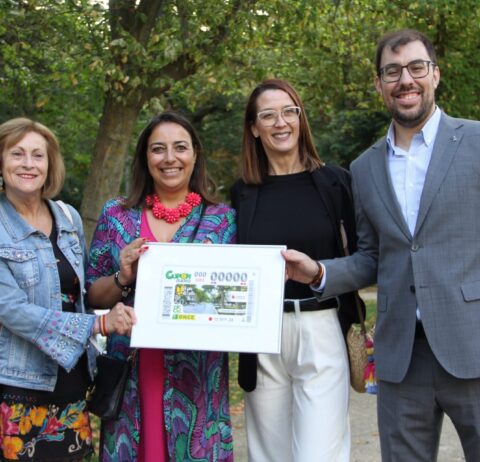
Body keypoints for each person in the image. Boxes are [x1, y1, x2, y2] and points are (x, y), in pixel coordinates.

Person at [283, 29, 480, 461]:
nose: (406, 80)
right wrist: (320, 273)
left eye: (417, 67)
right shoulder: (364, 167)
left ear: (435, 75)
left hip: (477, 351)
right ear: (379, 85)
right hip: (401, 358)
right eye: (392, 71)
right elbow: (374, 257)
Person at [86, 110, 236, 461]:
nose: (170, 158)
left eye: (180, 147)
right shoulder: (116, 215)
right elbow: (93, 293)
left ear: (195, 154)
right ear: (144, 157)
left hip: (197, 374)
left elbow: (237, 300)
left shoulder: (222, 221)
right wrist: (124, 276)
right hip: (133, 368)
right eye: (158, 149)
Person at [231, 79, 362, 462]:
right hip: (262, 334)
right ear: (254, 128)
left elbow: (364, 259)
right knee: (268, 455)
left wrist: (320, 271)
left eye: (289, 111)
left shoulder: (335, 182)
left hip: (321, 327)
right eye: (268, 115)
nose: (280, 122)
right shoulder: (242, 193)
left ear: (301, 118)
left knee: (319, 455)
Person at [0, 118, 134, 461]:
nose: (29, 164)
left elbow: (81, 295)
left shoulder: (68, 218)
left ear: (50, 164)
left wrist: (122, 276)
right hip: (16, 389)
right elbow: (11, 309)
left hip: (72, 383)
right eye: (17, 154)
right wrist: (98, 326)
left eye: (38, 155)